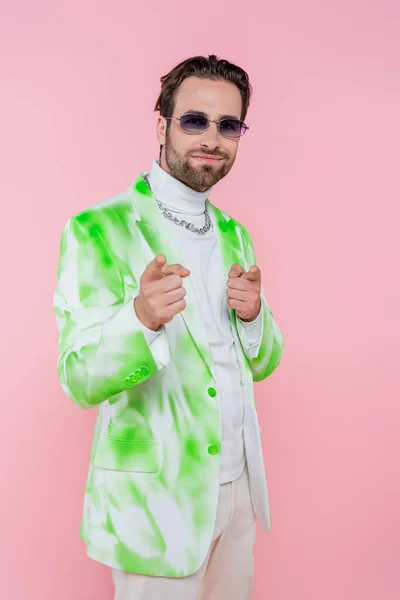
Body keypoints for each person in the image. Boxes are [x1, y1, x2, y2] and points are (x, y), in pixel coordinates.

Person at [53, 54, 284, 600]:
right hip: (156, 507)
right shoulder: (98, 230)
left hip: (237, 493)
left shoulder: (235, 234)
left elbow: (263, 361)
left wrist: (253, 317)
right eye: (194, 120)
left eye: (229, 125)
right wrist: (140, 320)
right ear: (162, 125)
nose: (212, 137)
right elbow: (77, 377)